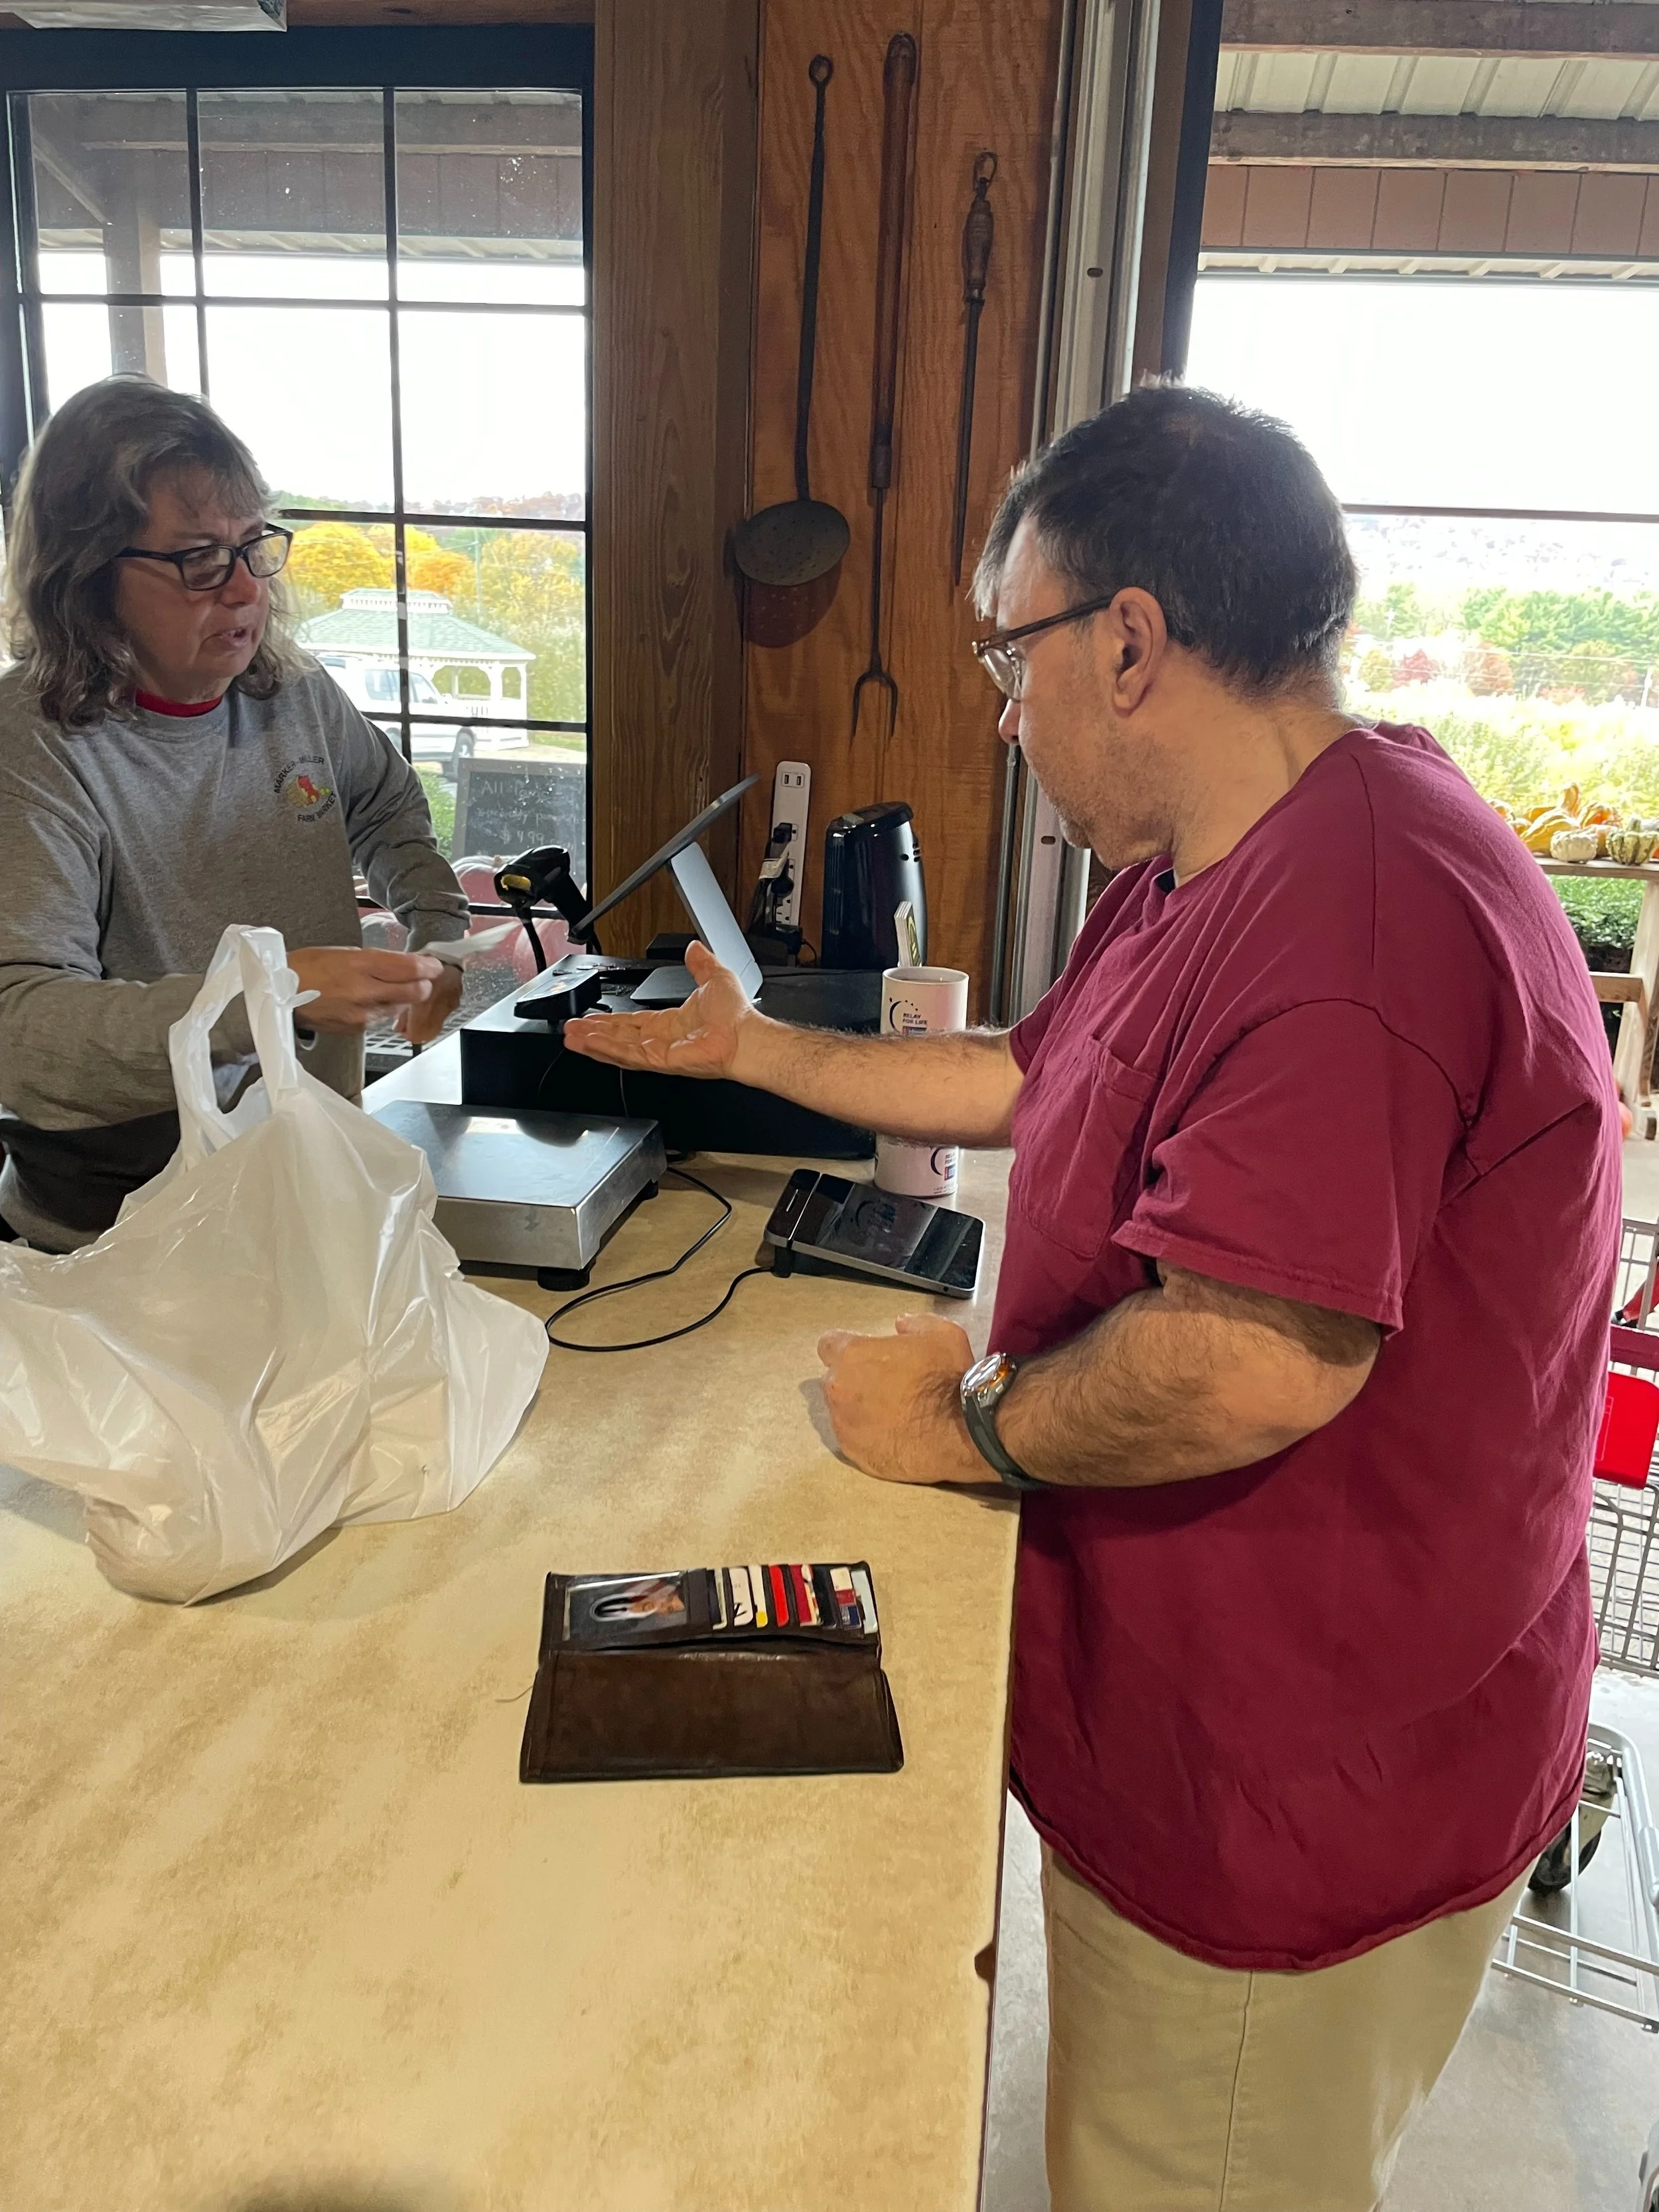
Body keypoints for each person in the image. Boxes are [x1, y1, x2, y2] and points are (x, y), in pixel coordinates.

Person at [564, 385, 1621, 2209]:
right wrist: (756, 1054)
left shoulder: (1346, 931)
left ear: (1126, 640)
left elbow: (1245, 1364)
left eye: (1008, 653)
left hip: (1290, 1791)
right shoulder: (1230, 858)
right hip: (1254, 1733)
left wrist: (963, 1422)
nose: (1001, 707)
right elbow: (1027, 1076)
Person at [0, 376, 468, 1250]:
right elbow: (24, 1034)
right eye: (200, 560)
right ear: (87, 576)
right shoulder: (32, 749)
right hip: (120, 1237)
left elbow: (389, 805)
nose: (247, 591)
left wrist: (435, 940)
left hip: (301, 1188)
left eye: (254, 547)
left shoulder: (294, 693)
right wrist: (271, 996)